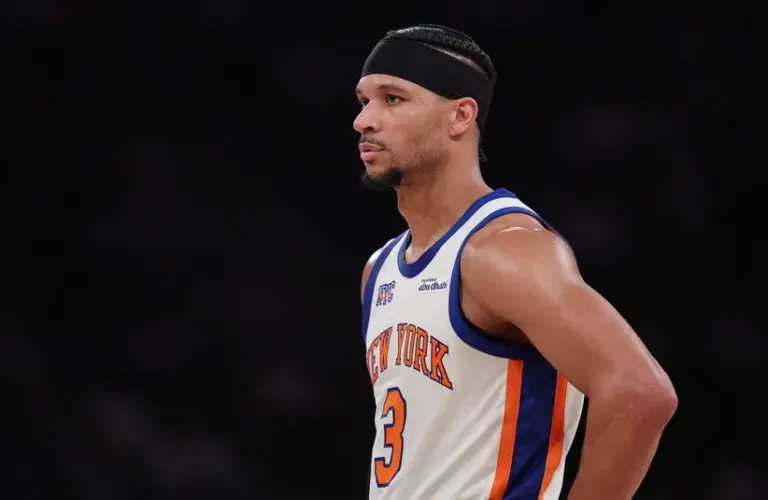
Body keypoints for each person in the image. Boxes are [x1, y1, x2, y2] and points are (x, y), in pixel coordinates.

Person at [356, 24, 677, 500]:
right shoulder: (377, 269)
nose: (364, 120)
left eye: (393, 99)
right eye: (363, 101)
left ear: (461, 116)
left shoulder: (504, 250)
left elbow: (640, 393)